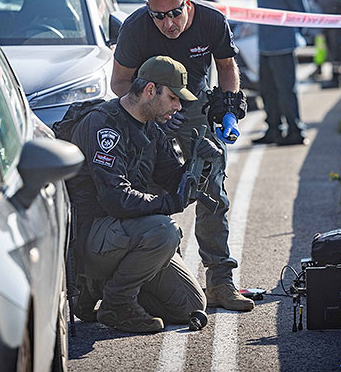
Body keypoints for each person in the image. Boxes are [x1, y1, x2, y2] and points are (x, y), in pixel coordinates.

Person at [111, 0, 255, 312]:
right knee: (151, 194)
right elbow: (119, 83)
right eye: (158, 16)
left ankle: (220, 282)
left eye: (175, 13)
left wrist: (229, 109)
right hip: (149, 115)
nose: (168, 23)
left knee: (212, 196)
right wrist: (150, 110)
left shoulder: (210, 21)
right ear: (149, 11)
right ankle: (160, 281)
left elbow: (226, 67)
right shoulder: (135, 29)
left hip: (196, 111)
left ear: (187, 3)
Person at [60, 56, 221, 333]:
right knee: (164, 232)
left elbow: (173, 180)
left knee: (191, 306)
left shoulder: (152, 129)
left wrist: (200, 165)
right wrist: (169, 203)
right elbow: (116, 199)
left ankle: (102, 287)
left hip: (127, 235)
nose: (178, 106)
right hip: (93, 235)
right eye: (172, 97)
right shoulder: (103, 126)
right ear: (149, 90)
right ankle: (116, 303)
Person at [253, 0, 309, 146]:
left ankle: (296, 131)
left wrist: (296, 35)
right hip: (264, 43)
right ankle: (274, 129)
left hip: (283, 44)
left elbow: (300, 10)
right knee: (267, 90)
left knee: (286, 89)